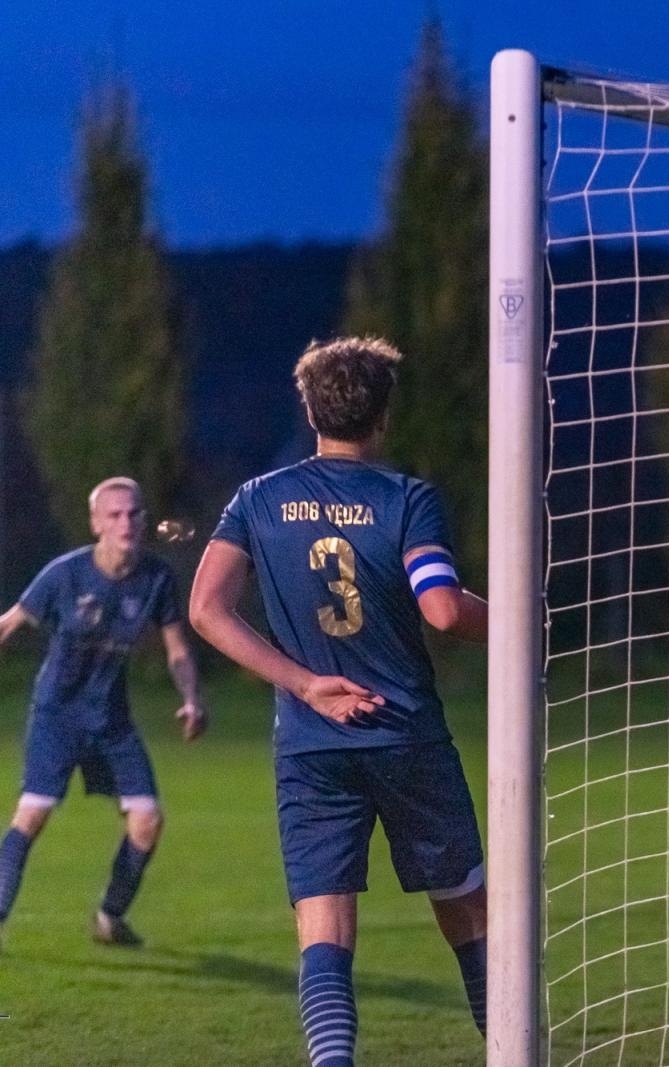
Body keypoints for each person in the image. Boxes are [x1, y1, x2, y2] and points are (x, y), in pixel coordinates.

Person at [190, 337, 489, 1067]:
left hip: (312, 742)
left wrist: (302, 683)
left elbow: (207, 609)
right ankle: (508, 1048)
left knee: (324, 921)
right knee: (467, 907)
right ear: (383, 415)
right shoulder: (407, 498)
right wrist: (519, 620)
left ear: (310, 408)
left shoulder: (256, 499)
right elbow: (444, 610)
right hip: (406, 737)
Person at [0, 476, 206, 956]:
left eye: (133, 513)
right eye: (113, 514)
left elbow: (177, 649)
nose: (125, 522)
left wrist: (191, 696)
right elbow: (7, 625)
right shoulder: (64, 575)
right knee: (33, 814)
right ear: (95, 524)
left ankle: (109, 917)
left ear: (144, 519)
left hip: (111, 720)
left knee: (147, 822)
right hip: (58, 716)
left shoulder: (157, 578)